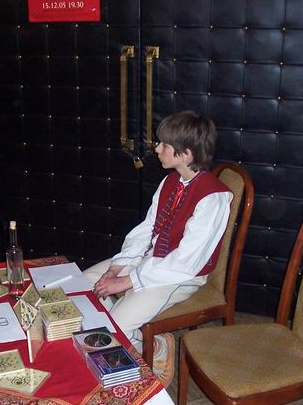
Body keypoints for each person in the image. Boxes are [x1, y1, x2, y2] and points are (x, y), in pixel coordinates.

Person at [84, 111, 232, 377]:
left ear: (186, 154)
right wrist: (117, 267)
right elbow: (147, 229)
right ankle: (140, 341)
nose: (157, 149)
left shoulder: (214, 198)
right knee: (82, 286)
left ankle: (148, 353)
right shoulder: (171, 180)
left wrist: (127, 281)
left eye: (164, 145)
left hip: (181, 274)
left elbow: (186, 261)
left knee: (115, 327)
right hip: (153, 260)